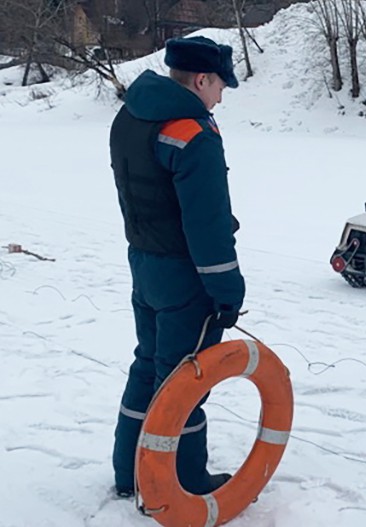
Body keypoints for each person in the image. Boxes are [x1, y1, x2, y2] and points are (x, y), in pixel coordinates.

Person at [109, 36, 245, 497]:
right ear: (201, 79)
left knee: (147, 366)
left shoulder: (131, 116)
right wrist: (228, 291)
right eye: (220, 85)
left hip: (144, 263)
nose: (222, 96)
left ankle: (130, 473)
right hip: (187, 277)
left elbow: (152, 192)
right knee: (185, 383)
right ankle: (179, 485)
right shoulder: (193, 133)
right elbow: (205, 227)